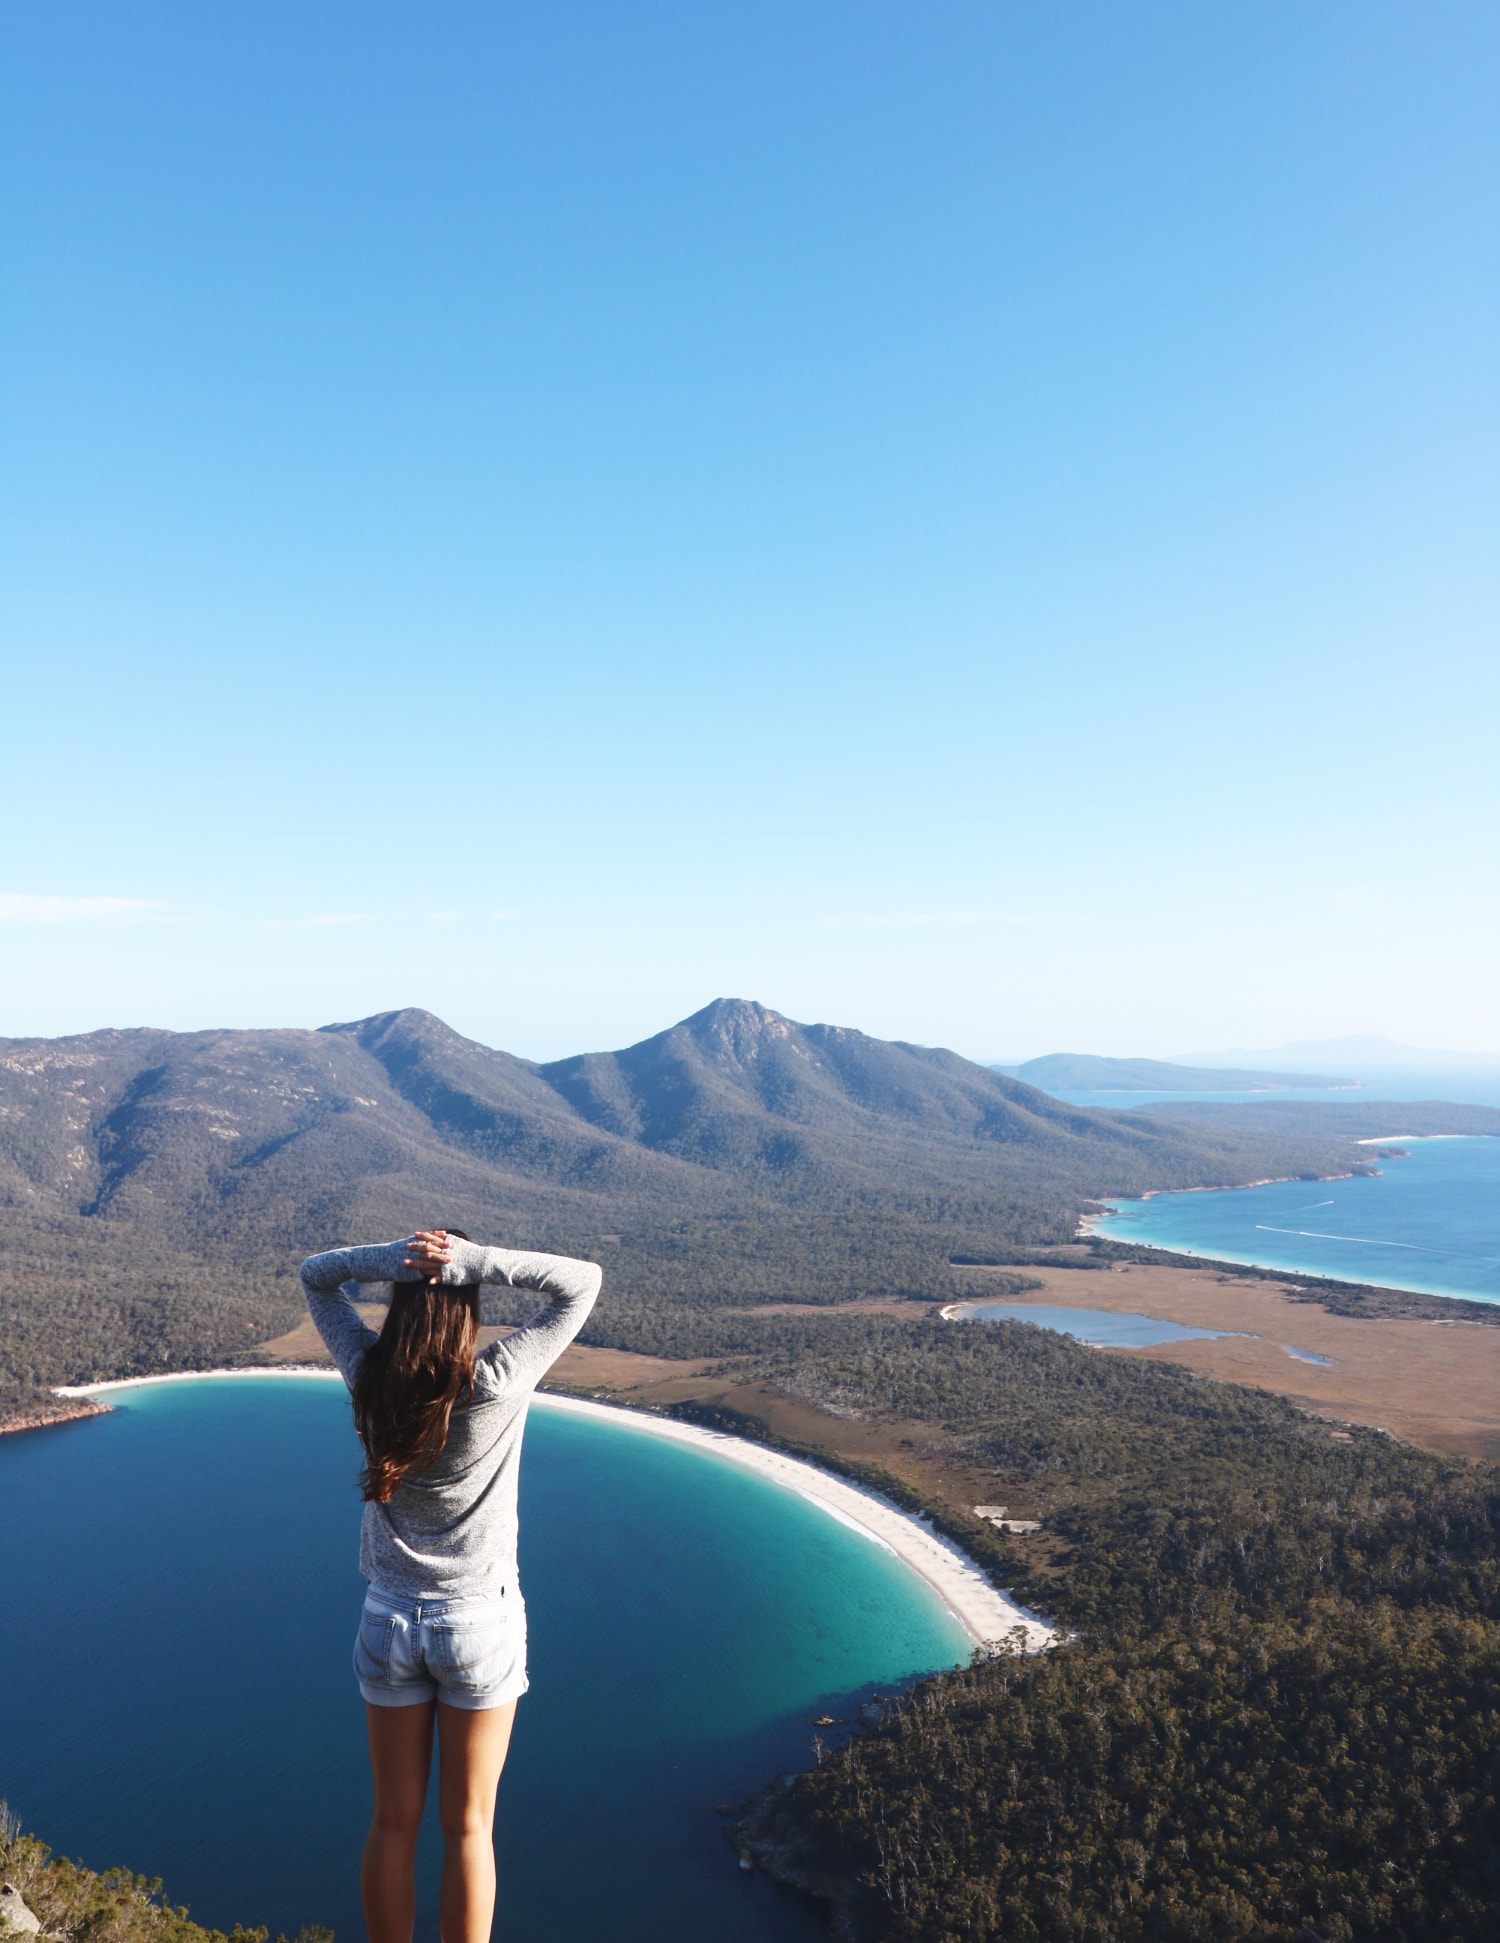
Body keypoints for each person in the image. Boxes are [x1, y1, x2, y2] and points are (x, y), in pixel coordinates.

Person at [299, 1227, 602, 1943]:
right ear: (469, 1306)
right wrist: (473, 1263)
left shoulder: (369, 1374)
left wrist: (399, 1258)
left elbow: (317, 1275)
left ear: (401, 1302)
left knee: (391, 1821)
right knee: (469, 1826)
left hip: (387, 1620)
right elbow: (582, 1280)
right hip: (479, 1623)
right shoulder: (496, 1379)